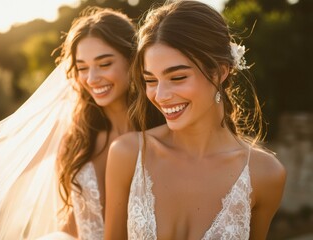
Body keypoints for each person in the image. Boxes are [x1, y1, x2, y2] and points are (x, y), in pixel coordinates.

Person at [0, 6, 164, 240]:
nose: (92, 78)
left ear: (132, 59)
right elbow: (78, 222)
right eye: (82, 67)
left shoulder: (160, 134)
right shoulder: (77, 137)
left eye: (104, 64)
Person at [104, 1, 286, 239]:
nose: (160, 96)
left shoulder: (265, 174)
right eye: (150, 80)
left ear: (220, 71)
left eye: (177, 77)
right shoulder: (128, 154)